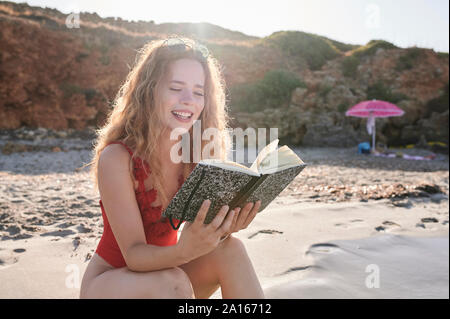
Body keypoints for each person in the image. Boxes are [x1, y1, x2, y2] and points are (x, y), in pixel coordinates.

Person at [79, 37, 264, 299]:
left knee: (231, 249)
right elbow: (134, 255)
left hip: (169, 273)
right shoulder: (118, 157)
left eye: (199, 92)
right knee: (172, 281)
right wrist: (185, 251)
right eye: (176, 88)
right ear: (149, 91)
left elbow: (194, 235)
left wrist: (225, 226)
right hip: (111, 283)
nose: (189, 100)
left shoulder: (195, 156)